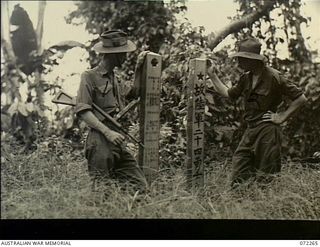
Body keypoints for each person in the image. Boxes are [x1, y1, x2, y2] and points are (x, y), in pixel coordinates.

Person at [207, 37, 307, 188]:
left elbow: (301, 98)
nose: (239, 62)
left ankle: (267, 206)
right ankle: (240, 205)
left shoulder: (274, 77)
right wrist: (212, 75)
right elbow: (228, 93)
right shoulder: (245, 78)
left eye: (242, 59)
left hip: (267, 129)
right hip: (250, 129)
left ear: (253, 60)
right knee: (239, 169)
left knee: (267, 175)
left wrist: (281, 117)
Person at [74, 30, 147, 191]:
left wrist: (138, 68)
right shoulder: (89, 76)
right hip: (100, 140)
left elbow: (134, 93)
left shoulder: (116, 78)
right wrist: (108, 133)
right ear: (115, 54)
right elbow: (84, 111)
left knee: (139, 187)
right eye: (124, 54)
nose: (126, 57)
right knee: (101, 192)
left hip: (118, 140)